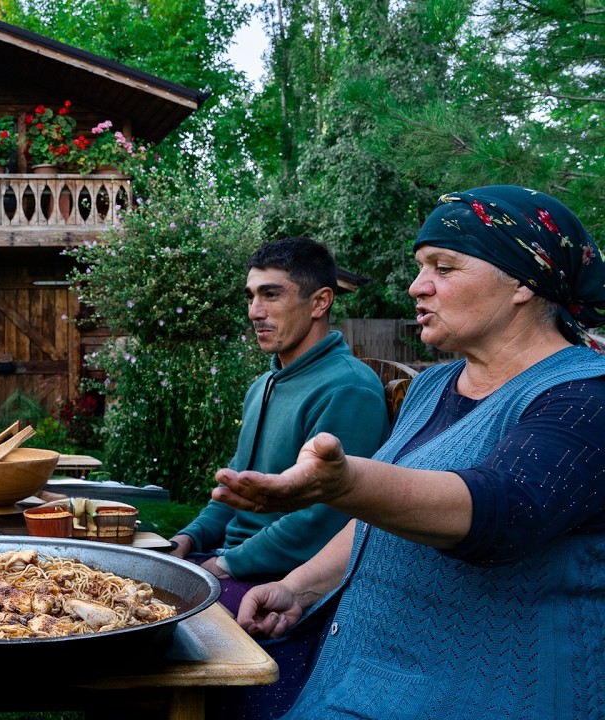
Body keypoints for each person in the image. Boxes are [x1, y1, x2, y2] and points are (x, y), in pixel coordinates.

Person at [217, 186, 605, 719]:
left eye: (443, 267)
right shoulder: (434, 386)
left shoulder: (586, 395)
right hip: (362, 678)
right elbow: (385, 515)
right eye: (421, 266)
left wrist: (347, 484)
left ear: (521, 282)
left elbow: (504, 509)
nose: (416, 286)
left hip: (481, 698)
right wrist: (300, 587)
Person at [171, 236, 388, 597]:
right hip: (231, 561)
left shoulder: (348, 388)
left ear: (320, 302)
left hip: (282, 582)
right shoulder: (263, 385)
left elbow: (324, 520)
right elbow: (232, 491)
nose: (255, 311)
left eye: (271, 295)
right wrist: (186, 539)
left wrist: (225, 566)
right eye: (251, 296)